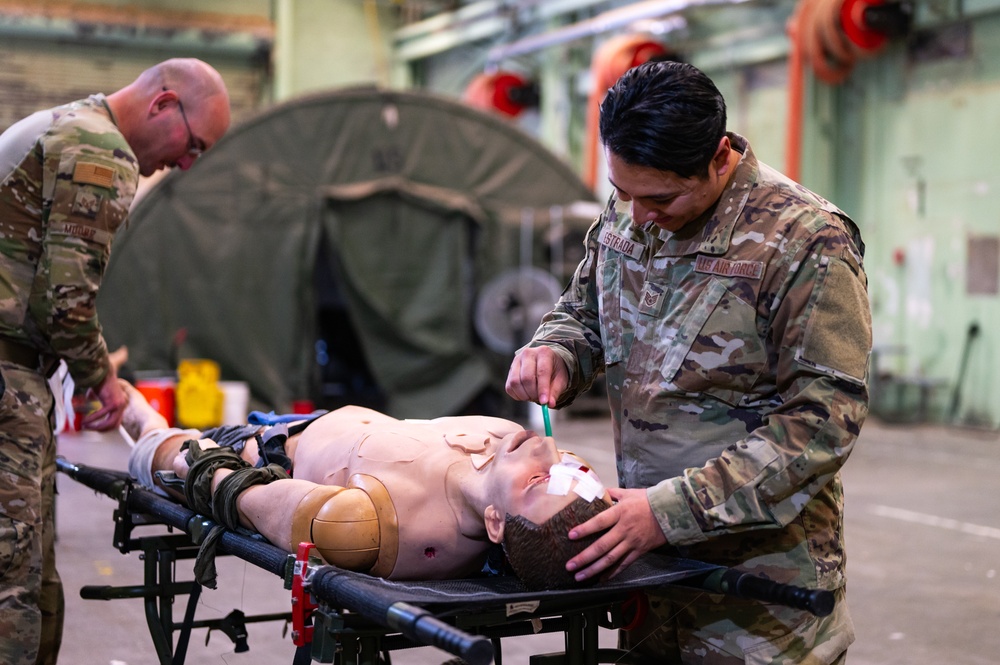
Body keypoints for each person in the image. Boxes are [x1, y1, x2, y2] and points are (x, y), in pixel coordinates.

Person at [506, 60, 871, 664]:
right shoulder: (631, 212)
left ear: (720, 156)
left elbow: (822, 422)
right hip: (645, 566)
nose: (640, 214)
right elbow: (583, 311)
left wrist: (671, 512)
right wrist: (557, 349)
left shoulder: (804, 241)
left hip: (758, 593)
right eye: (623, 193)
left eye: (661, 198)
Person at [0, 59, 231, 665]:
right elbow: (65, 301)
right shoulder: (100, 151)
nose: (185, 164)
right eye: (194, 145)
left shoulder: (58, 125)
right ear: (163, 104)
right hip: (6, 381)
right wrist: (100, 380)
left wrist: (83, 371)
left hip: (17, 369)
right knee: (13, 591)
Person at [120, 381, 611, 590]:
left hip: (262, 449)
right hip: (329, 424)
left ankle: (127, 406)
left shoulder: (368, 523)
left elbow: (234, 491)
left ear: (496, 522)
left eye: (540, 478)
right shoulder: (510, 451)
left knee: (160, 446)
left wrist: (168, 444)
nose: (548, 450)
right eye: (568, 466)